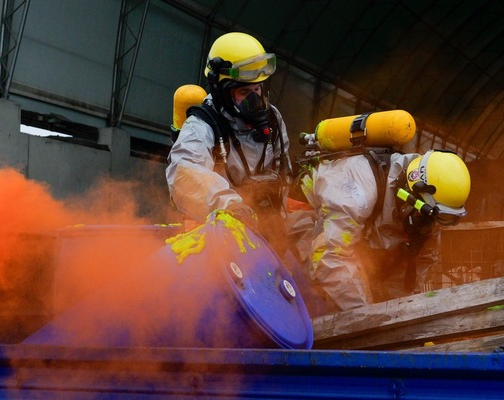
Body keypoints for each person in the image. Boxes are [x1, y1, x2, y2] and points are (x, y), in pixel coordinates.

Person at [299, 149, 471, 312]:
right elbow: (329, 255)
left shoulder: (430, 213)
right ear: (411, 196)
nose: (431, 224)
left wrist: (400, 314)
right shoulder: (359, 192)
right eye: (427, 215)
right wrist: (368, 316)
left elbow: (417, 263)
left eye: (444, 217)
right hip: (302, 220)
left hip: (354, 240)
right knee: (315, 301)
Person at [166, 32, 292, 246]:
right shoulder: (201, 125)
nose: (255, 99)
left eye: (258, 88)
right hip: (218, 235)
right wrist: (229, 207)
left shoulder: (273, 118)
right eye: (244, 91)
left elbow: (283, 171)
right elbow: (184, 174)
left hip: (267, 229)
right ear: (220, 90)